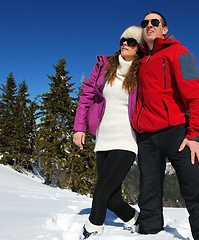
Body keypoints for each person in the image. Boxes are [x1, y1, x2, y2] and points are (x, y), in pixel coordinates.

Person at [131, 11, 199, 240]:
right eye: (145, 23)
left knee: (196, 190)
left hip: (178, 133)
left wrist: (195, 135)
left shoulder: (179, 52)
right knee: (148, 193)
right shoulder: (141, 60)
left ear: (164, 29)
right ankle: (150, 233)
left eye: (155, 22)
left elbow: (196, 95)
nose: (149, 25)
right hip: (147, 138)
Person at [73, 25, 143, 239]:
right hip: (103, 138)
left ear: (139, 47)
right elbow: (86, 96)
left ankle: (94, 227)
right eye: (123, 39)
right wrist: (79, 127)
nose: (125, 43)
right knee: (112, 197)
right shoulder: (104, 67)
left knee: (102, 189)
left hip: (127, 139)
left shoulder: (142, 72)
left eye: (131, 41)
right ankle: (133, 218)